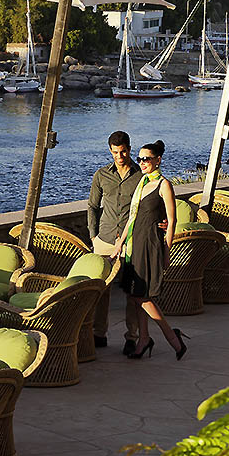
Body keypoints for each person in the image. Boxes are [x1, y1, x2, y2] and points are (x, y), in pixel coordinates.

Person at [111, 140, 187, 361]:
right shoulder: (141, 183)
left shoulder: (164, 185)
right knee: (135, 294)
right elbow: (132, 218)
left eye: (147, 159)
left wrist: (167, 251)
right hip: (134, 244)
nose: (142, 162)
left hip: (150, 245)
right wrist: (120, 243)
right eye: (140, 158)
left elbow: (171, 221)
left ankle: (170, 335)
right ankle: (144, 338)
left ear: (158, 160)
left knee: (141, 296)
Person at [87, 131, 142, 354]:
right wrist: (93, 236)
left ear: (129, 148)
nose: (120, 156)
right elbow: (92, 206)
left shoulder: (141, 176)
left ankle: (132, 337)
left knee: (132, 290)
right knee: (101, 289)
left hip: (131, 240)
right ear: (110, 151)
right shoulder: (101, 175)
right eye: (116, 152)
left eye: (124, 151)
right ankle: (99, 333)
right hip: (105, 238)